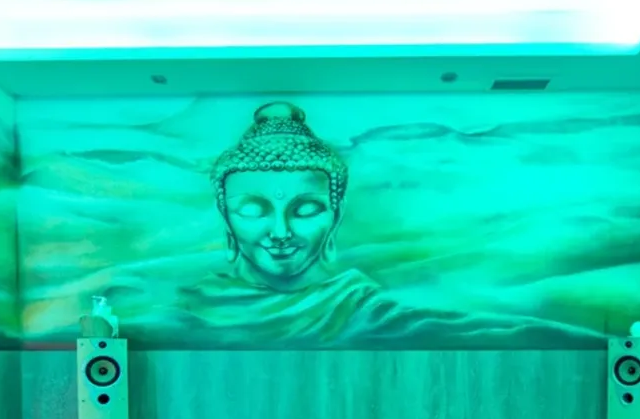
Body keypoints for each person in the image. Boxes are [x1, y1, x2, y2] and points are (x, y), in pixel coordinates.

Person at [171, 101, 599, 348]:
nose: (281, 233)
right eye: (253, 210)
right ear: (225, 215)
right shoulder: (193, 304)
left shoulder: (359, 305)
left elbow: (468, 328)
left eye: (305, 210)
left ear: (335, 216)